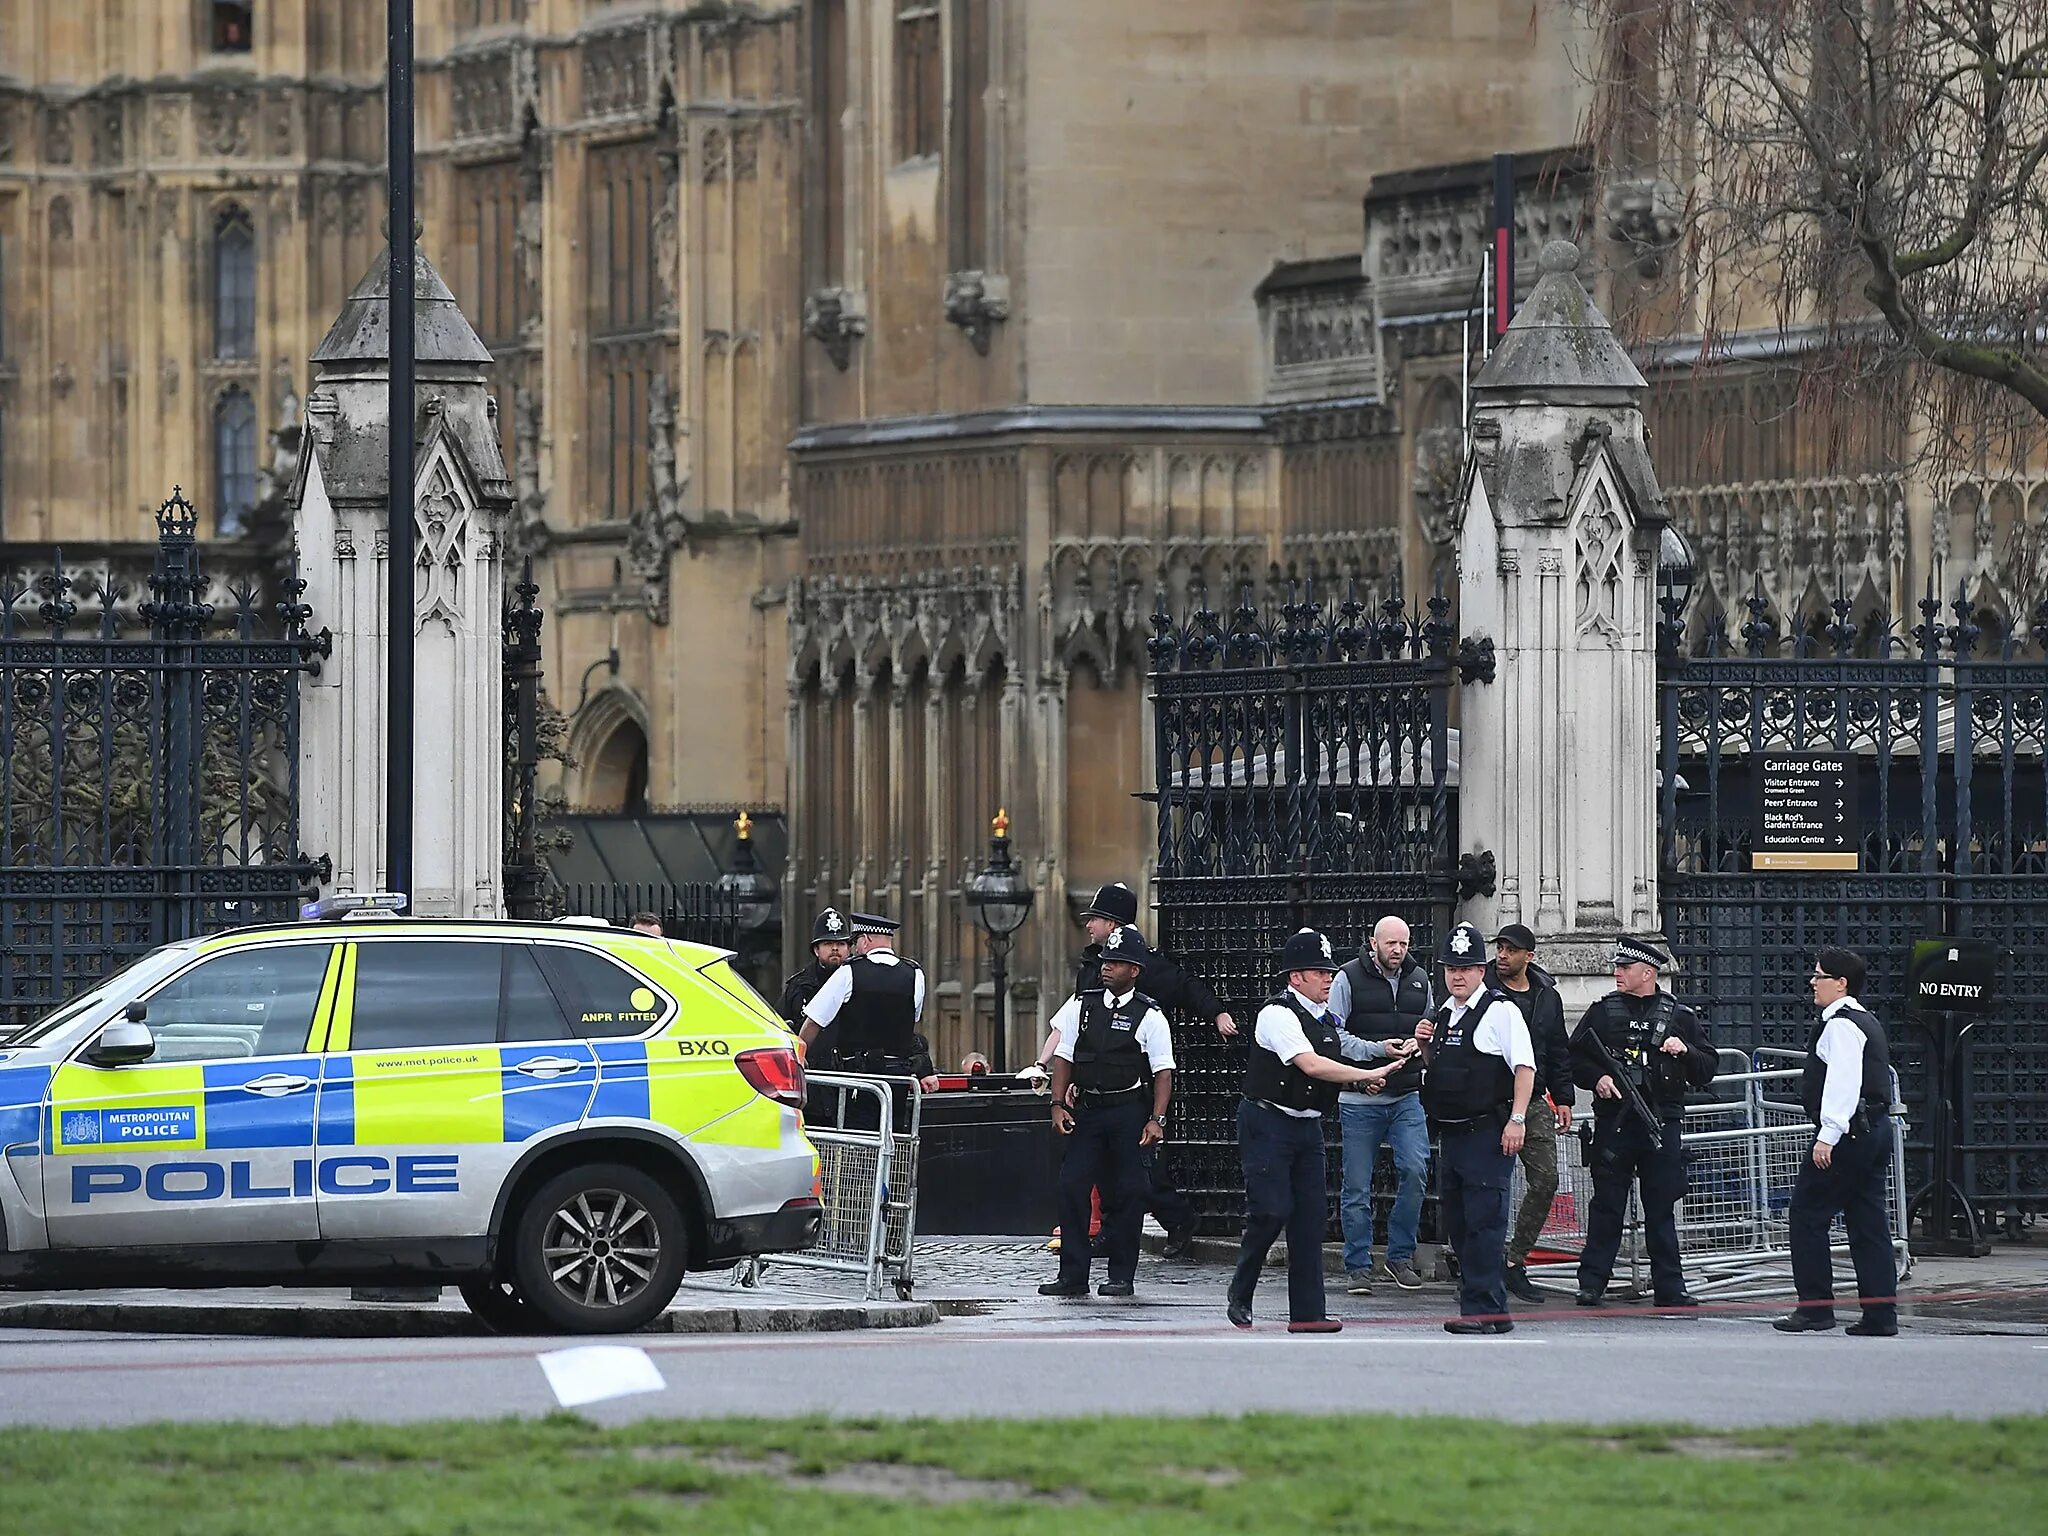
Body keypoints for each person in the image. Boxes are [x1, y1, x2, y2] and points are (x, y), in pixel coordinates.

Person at [1228, 928, 1408, 1333]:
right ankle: (1241, 1289)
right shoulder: (1278, 1015)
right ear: (1296, 978)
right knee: (1271, 1210)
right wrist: (1366, 1074)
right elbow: (1310, 1065)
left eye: (1329, 971)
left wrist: (1364, 1076)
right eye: (1319, 972)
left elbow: (1332, 1064)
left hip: (1307, 1126)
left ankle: (1308, 1313)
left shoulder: (1326, 1018)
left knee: (1310, 1220)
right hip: (1268, 1122)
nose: (1329, 978)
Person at [1042, 880, 1235, 1258]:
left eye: (1095, 918)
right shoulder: (1094, 965)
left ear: (1113, 925)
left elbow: (1183, 986)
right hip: (1094, 1083)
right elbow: (1073, 1025)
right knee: (1103, 1171)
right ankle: (1106, 1238)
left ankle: (1177, 1220)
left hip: (1131, 1085)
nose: (1088, 925)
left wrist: (1216, 1012)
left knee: (1139, 1170)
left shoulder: (1142, 967)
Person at [1570, 935, 1717, 1309]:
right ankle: (1592, 1283)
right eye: (1618, 967)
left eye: (1625, 968)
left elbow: (1707, 1068)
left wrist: (1684, 1051)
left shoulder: (1679, 1016)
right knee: (1606, 1207)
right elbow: (1575, 1058)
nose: (1617, 973)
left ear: (1648, 972)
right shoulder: (1602, 1012)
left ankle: (1670, 1286)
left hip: (1660, 1122)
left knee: (1661, 1206)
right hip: (1616, 1124)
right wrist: (1597, 1078)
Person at [1038, 925, 1176, 1299]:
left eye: (1116, 963)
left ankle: (1121, 1275)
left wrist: (1156, 1119)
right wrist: (1057, 1103)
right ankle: (1073, 1274)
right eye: (1105, 961)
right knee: (1072, 1186)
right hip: (1089, 1110)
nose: (1106, 968)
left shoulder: (1149, 1015)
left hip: (1128, 1110)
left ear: (1135, 970)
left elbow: (1163, 1071)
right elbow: (1064, 1056)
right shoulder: (1082, 1005)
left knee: (1128, 1193)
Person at [1414, 921, 1536, 1334]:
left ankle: (1480, 1311)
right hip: (1453, 1134)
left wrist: (1517, 1119)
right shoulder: (1444, 1014)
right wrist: (1426, 1046)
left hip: (1487, 1133)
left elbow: (1525, 1067)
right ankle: (1493, 1311)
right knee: (1462, 1225)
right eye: (1451, 969)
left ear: (1481, 971)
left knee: (1485, 1224)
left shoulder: (1501, 1011)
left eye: (1465, 968)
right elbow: (1441, 1069)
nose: (1457, 976)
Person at [1776, 946, 1900, 1337]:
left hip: (1849, 1132)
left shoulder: (1841, 1024)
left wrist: (1827, 1136)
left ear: (1841, 983)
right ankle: (1881, 1316)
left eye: (1819, 976)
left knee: (1807, 1216)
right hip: (1873, 1129)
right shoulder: (1865, 1019)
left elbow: (1842, 1084)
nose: (1812, 983)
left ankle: (1814, 1309)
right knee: (1868, 1223)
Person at [1329, 915, 1433, 1294]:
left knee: (1416, 1168)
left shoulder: (1420, 979)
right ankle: (1358, 1265)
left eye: (1403, 944)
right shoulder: (1347, 977)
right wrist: (1376, 1052)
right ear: (1373, 942)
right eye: (1391, 943)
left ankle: (1399, 1255)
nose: (1398, 951)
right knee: (1357, 1184)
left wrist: (1418, 1045)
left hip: (1405, 1094)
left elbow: (1429, 1027)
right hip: (1359, 1098)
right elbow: (1334, 1035)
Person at [1486, 924, 1573, 1303]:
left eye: (1511, 949)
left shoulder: (1546, 996)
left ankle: (1514, 1261)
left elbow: (1557, 1048)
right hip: (1490, 1100)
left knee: (1545, 1180)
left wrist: (1564, 1097)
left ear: (1529, 956)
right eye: (1500, 947)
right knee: (1487, 1187)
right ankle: (1481, 1267)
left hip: (1535, 1100)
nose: (1502, 954)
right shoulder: (1482, 990)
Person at [800, 913, 939, 1095]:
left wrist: (798, 1055)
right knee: (894, 1123)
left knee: (854, 1123)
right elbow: (911, 1021)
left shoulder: (849, 971)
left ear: (865, 940)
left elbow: (814, 1021)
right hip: (897, 1081)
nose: (855, 948)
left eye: (856, 942)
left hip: (858, 1081)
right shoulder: (915, 974)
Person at [776, 907, 854, 1043]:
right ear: (816, 950)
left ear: (849, 949)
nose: (834, 948)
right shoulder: (799, 985)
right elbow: (779, 1025)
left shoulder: (860, 980)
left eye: (840, 943)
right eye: (828, 943)